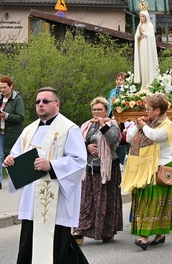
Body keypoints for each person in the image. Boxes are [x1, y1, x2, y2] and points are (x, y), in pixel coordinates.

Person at [2, 87, 88, 264]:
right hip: (32, 200)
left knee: (58, 248)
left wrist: (52, 165)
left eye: (45, 101)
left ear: (57, 104)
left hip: (56, 202)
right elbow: (17, 153)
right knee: (29, 244)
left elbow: (79, 161)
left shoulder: (69, 129)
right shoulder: (29, 130)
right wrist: (11, 161)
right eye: (37, 101)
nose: (40, 104)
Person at [121, 93, 172, 250]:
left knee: (154, 201)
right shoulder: (147, 123)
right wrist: (136, 125)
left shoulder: (167, 124)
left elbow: (156, 137)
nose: (146, 112)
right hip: (144, 168)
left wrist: (143, 126)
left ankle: (145, 236)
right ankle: (157, 234)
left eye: (148, 109)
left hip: (161, 167)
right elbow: (130, 138)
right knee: (144, 200)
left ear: (157, 111)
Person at [73, 97, 122, 245]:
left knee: (105, 201)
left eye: (99, 109)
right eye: (94, 109)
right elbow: (78, 142)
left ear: (106, 111)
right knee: (87, 201)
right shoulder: (86, 125)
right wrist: (87, 146)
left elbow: (114, 140)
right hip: (90, 168)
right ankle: (80, 231)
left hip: (107, 169)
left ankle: (106, 232)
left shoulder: (112, 124)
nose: (96, 112)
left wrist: (103, 126)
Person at [0, 76, 25, 191]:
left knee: (15, 156)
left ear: (11, 86)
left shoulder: (17, 99)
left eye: (4, 87)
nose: (2, 90)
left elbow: (20, 117)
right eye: (0, 88)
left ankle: (19, 180)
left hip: (13, 133)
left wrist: (5, 115)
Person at [134, 8, 159, 90]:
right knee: (143, 64)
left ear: (146, 17)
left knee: (148, 64)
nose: (142, 18)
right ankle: (144, 84)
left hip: (148, 48)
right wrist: (139, 34)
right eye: (140, 16)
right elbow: (136, 36)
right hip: (142, 47)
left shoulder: (150, 26)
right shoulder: (139, 26)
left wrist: (143, 33)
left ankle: (149, 83)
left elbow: (151, 37)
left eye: (143, 16)